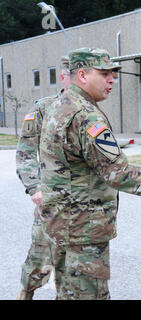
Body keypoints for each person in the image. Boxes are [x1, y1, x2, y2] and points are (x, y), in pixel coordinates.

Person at [38, 47, 141, 300]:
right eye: (104, 73)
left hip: (61, 225)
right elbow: (119, 174)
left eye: (113, 73)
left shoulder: (60, 106)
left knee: (68, 294)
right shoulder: (86, 116)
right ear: (83, 75)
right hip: (83, 230)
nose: (112, 79)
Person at [16, 56, 71, 300]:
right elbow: (26, 151)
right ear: (64, 77)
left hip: (84, 208)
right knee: (39, 260)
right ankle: (26, 293)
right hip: (51, 203)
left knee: (75, 272)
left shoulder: (92, 111)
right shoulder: (44, 107)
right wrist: (34, 187)